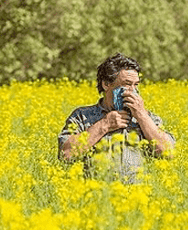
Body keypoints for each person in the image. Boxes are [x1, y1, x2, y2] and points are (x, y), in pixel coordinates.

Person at [58, 53, 176, 183]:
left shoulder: (146, 118)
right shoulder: (82, 116)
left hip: (136, 199)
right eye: (127, 84)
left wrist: (141, 115)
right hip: (95, 197)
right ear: (106, 84)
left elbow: (168, 152)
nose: (132, 91)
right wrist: (105, 124)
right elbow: (66, 154)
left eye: (136, 85)